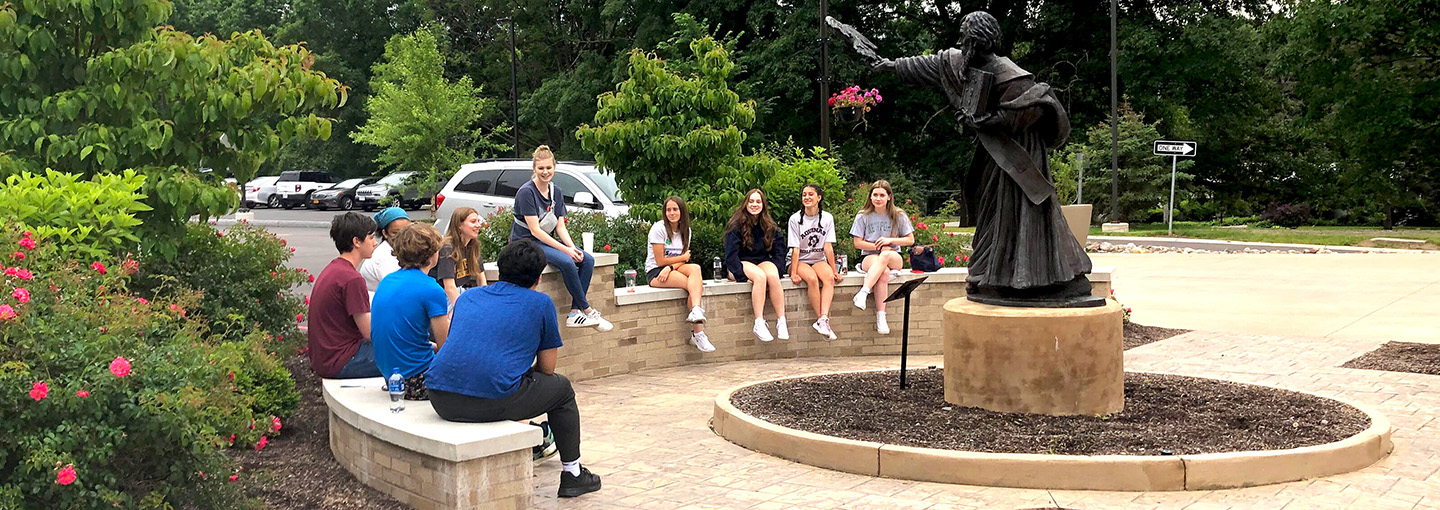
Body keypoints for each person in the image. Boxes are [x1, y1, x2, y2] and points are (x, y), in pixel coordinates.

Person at [871, 11, 1095, 305]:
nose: (961, 43)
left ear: (978, 42)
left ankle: (1026, 279)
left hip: (1018, 160)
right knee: (992, 214)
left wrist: (984, 120)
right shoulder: (961, 62)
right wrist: (891, 67)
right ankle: (991, 275)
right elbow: (927, 65)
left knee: (1019, 216)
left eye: (966, 38)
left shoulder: (1012, 75)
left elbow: (1030, 111)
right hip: (994, 157)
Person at [427, 240, 602, 498]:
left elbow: (461, 348)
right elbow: (547, 369)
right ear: (539, 277)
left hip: (440, 397)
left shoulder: (469, 298)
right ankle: (573, 473)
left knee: (510, 378)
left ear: (500, 268)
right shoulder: (540, 304)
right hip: (488, 400)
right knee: (562, 389)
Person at [510, 145, 612, 331]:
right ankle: (587, 309)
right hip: (527, 242)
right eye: (541, 168)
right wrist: (565, 251)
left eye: (548, 168)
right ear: (534, 169)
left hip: (544, 240)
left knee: (586, 259)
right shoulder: (527, 192)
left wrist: (572, 248)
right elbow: (535, 230)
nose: (545, 172)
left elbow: (560, 225)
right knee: (566, 262)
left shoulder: (555, 191)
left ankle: (574, 313)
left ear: (554, 168)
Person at [370, 223, 449, 400]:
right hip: (418, 380)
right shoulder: (431, 289)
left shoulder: (388, 281)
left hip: (391, 377)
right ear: (432, 255)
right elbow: (446, 347)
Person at [307, 212, 381, 379]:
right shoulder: (352, 279)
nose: (375, 243)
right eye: (370, 238)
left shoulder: (333, 269)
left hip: (326, 358)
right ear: (356, 242)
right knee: (414, 356)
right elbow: (370, 333)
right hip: (342, 360)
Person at [645, 196, 712, 352]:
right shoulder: (659, 228)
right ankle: (698, 333)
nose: (671, 213)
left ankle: (695, 310)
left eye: (675, 209)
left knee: (695, 269)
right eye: (668, 210)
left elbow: (684, 262)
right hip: (656, 271)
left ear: (682, 211)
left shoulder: (686, 230)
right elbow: (660, 260)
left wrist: (671, 268)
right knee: (693, 285)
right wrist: (678, 260)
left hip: (672, 268)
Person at [849, 180, 915, 335]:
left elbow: (910, 240)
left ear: (889, 197)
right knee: (883, 272)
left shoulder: (898, 215)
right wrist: (877, 246)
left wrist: (890, 241)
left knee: (885, 255)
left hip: (893, 256)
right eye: (875, 195)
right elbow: (858, 243)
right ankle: (881, 317)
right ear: (870, 197)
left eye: (882, 195)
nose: (878, 198)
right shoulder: (863, 216)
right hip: (870, 256)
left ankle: (864, 292)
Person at [723, 189, 788, 342]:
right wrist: (740, 275)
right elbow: (730, 255)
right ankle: (759, 321)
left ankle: (781, 320)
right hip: (741, 263)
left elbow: (779, 250)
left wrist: (778, 269)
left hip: (761, 261)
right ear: (745, 204)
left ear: (763, 205)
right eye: (751, 201)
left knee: (771, 274)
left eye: (758, 201)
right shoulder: (736, 225)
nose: (754, 204)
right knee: (759, 277)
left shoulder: (768, 226)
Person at [787, 184, 843, 340]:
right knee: (811, 278)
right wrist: (793, 273)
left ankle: (823, 319)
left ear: (819, 197)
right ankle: (822, 322)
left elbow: (828, 247)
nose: (807, 197)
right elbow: (795, 249)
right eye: (804, 194)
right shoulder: (795, 219)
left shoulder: (827, 218)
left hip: (818, 258)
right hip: (799, 260)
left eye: (811, 194)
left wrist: (835, 270)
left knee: (829, 278)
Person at [433, 206, 488, 307]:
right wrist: (462, 310)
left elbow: (481, 279)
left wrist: (485, 302)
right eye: (473, 222)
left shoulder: (472, 246)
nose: (478, 225)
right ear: (459, 225)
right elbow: (449, 287)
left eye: (478, 221)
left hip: (458, 290)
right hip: (440, 296)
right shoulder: (448, 248)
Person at [359, 207, 412, 300]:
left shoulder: (400, 251)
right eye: (396, 233)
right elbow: (398, 290)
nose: (403, 237)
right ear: (385, 233)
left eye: (406, 231)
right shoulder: (384, 257)